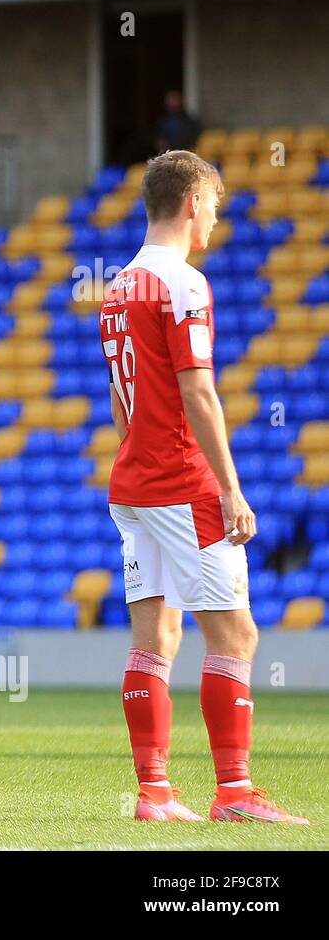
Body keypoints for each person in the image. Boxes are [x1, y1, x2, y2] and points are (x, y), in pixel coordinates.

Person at [100, 149, 306, 824]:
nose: (214, 221)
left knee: (153, 637)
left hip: (131, 482)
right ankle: (236, 793)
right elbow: (199, 392)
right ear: (193, 203)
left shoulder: (117, 286)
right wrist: (230, 487)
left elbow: (119, 403)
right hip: (181, 483)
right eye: (213, 207)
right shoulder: (183, 284)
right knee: (236, 637)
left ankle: (155, 794)